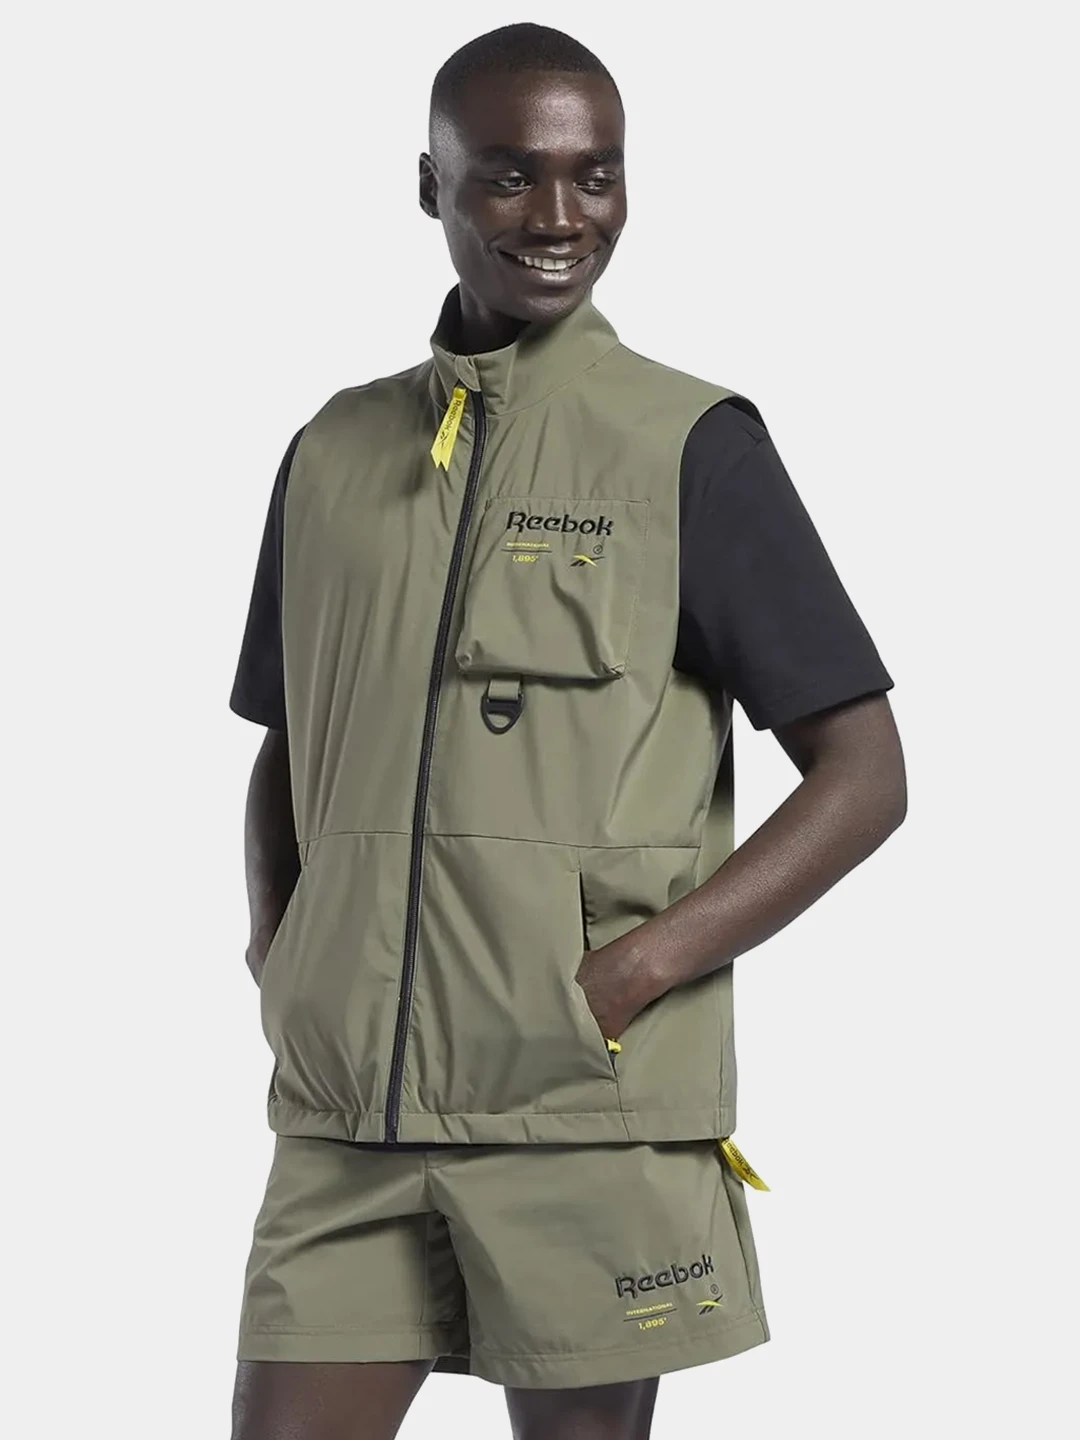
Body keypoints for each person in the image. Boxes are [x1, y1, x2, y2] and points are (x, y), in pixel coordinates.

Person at [226, 22, 906, 1440]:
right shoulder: (332, 452)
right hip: (346, 1120)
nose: (558, 217)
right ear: (431, 185)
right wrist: (280, 946)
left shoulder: (689, 445)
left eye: (594, 176)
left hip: (580, 1108)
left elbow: (864, 776)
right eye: (509, 176)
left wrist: (632, 973)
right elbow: (289, 737)